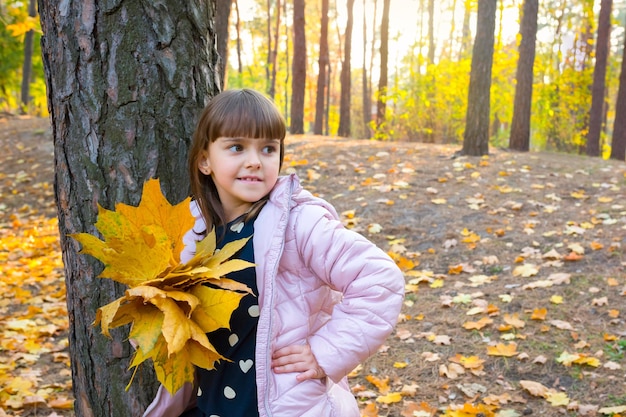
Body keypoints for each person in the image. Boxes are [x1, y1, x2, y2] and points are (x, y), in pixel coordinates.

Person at [143, 89, 405, 417]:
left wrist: (325, 352)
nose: (255, 160)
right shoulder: (189, 228)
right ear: (205, 160)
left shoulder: (298, 223)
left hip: (280, 406)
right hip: (210, 403)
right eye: (236, 147)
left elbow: (380, 279)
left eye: (268, 148)